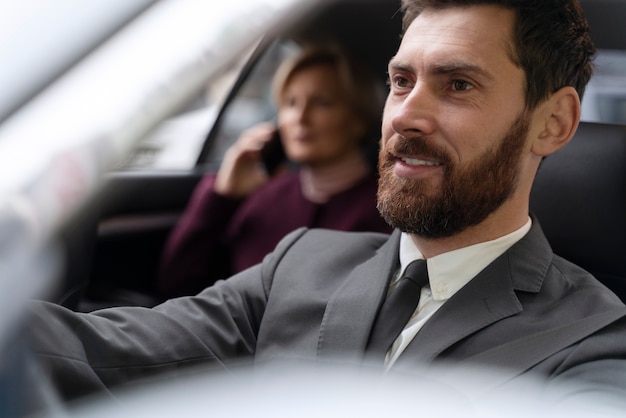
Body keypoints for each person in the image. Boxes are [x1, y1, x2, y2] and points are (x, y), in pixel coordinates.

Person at [27, 0, 626, 407]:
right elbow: (95, 352)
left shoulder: (592, 342)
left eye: (458, 85)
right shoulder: (300, 263)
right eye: (400, 81)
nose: (406, 115)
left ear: (553, 123)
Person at [158, 44, 392, 298]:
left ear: (359, 119)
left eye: (321, 102)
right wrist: (220, 196)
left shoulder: (385, 209)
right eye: (290, 103)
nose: (300, 117)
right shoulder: (265, 197)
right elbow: (179, 285)